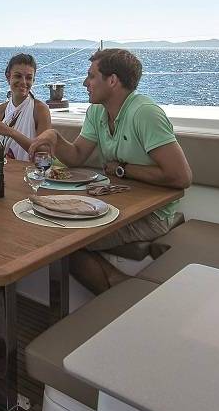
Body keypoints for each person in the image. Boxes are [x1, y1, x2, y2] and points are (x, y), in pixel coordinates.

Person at [28, 48, 192, 293]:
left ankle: (120, 297)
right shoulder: (97, 111)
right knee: (55, 234)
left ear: (112, 80)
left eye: (91, 76)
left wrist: (122, 170)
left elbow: (182, 177)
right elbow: (76, 156)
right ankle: (118, 286)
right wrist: (54, 137)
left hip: (153, 215)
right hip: (119, 203)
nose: (85, 83)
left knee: (62, 242)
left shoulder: (144, 113)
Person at [0, 53, 51, 160]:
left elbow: (44, 152)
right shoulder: (0, 110)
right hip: (1, 171)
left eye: (29, 78)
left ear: (33, 80)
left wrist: (10, 132)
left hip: (28, 173)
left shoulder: (40, 109)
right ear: (8, 77)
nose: (23, 82)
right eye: (18, 76)